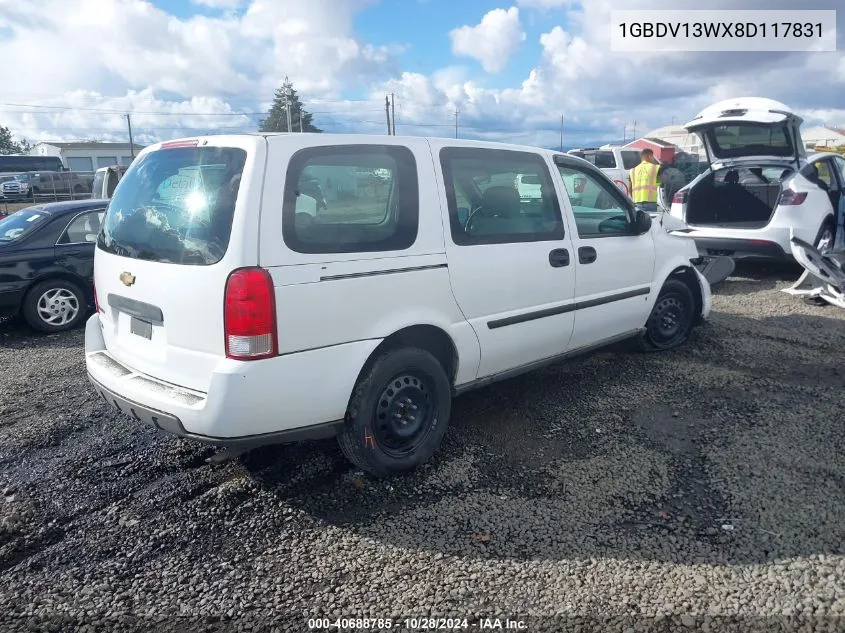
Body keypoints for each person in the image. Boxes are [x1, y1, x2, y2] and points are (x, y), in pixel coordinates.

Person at [628, 148, 662, 213]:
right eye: (652, 157)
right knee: (651, 222)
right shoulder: (656, 168)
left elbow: (630, 189)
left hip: (637, 202)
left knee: (640, 222)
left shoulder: (632, 170)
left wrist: (635, 198)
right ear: (650, 156)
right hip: (651, 202)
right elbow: (660, 185)